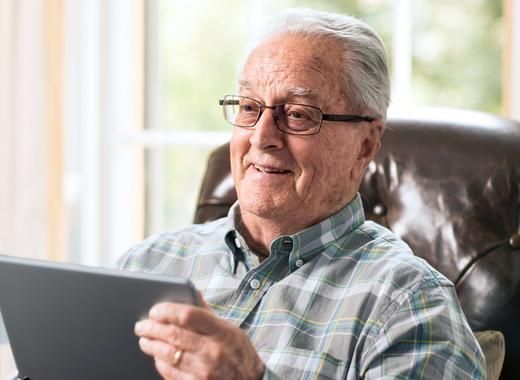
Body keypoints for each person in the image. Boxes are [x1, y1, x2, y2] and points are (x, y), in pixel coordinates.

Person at [119, 8, 486, 379]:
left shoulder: (409, 305)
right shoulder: (147, 265)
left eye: (297, 114)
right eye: (249, 107)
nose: (262, 137)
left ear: (365, 144)